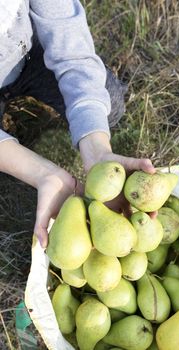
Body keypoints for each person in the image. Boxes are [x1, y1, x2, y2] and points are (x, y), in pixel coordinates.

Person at [0, 0, 155, 248]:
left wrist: (96, 146)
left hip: (25, 54)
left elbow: (72, 52)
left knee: (107, 101)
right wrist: (41, 173)